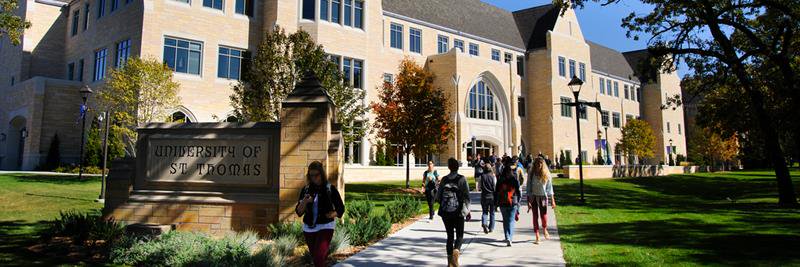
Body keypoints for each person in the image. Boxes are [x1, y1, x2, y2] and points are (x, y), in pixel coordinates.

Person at [295, 161, 346, 267]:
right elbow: (299, 212)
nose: (314, 178)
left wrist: (333, 214)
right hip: (309, 227)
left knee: (318, 257)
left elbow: (341, 208)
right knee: (317, 258)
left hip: (326, 226)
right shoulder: (306, 190)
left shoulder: (329, 189)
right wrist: (305, 201)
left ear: (321, 174)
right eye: (311, 175)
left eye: (316, 175)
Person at [437, 158, 470, 267]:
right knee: (459, 235)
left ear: (449, 167)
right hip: (459, 212)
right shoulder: (462, 179)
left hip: (446, 212)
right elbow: (466, 196)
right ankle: (456, 253)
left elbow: (438, 196)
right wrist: (467, 210)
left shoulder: (444, 180)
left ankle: (449, 262)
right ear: (458, 167)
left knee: (449, 236)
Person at [527, 157, 556, 244]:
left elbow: (550, 188)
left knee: (543, 216)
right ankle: (537, 236)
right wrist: (528, 200)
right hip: (533, 197)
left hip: (543, 197)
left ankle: (544, 228)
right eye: (537, 163)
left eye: (540, 163)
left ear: (543, 164)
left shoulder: (547, 174)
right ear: (534, 164)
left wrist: (552, 200)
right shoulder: (531, 174)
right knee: (535, 216)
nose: (539, 165)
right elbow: (528, 188)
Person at [494, 159, 521, 247]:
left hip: (502, 202)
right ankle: (510, 237)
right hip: (513, 201)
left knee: (505, 220)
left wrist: (496, 203)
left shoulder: (500, 179)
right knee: (511, 220)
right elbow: (518, 191)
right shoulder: (514, 179)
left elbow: (496, 191)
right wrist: (518, 200)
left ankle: (507, 236)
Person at [479, 162, 497, 234]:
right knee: (492, 212)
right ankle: (491, 227)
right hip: (492, 196)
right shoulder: (493, 176)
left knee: (485, 212)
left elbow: (479, 187)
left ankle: (484, 223)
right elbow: (495, 187)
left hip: (484, 196)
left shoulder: (482, 176)